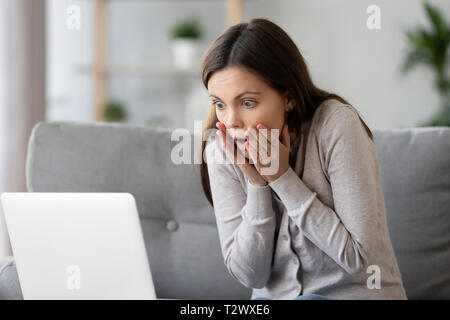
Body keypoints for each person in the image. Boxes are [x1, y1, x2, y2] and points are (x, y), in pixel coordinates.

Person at [199, 18, 407, 300]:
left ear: (289, 97)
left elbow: (359, 259)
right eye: (219, 104)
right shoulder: (220, 148)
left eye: (248, 102)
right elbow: (250, 275)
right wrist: (257, 185)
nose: (231, 121)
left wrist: (282, 178)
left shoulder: (335, 125)